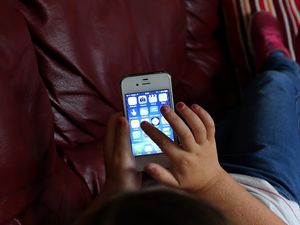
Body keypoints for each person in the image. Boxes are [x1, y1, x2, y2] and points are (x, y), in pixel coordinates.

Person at [74, 12, 300, 225]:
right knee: (275, 84)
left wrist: (117, 189)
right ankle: (279, 57)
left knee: (234, 115)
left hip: (179, 169)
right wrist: (211, 181)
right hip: (257, 188)